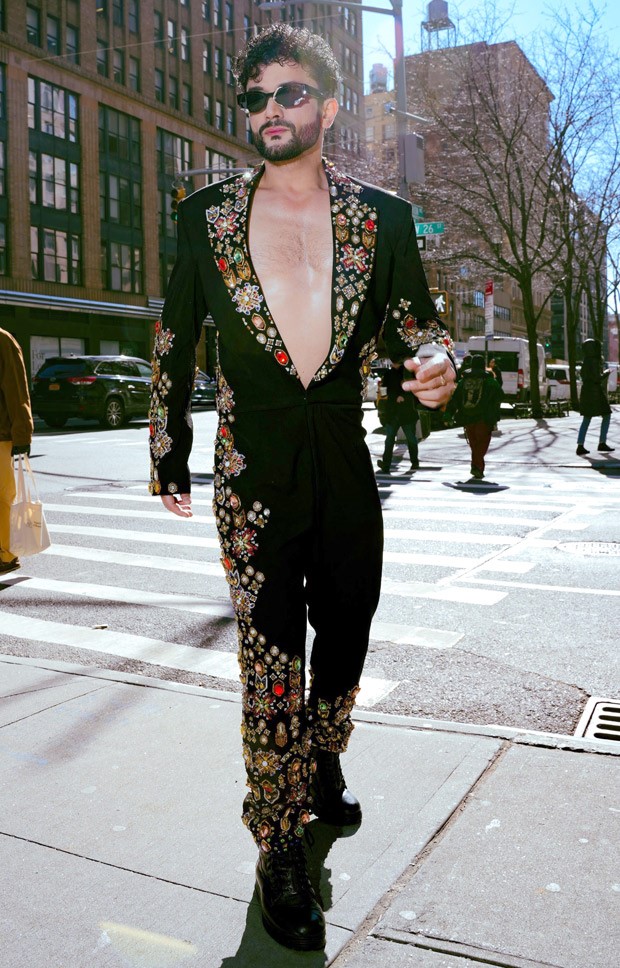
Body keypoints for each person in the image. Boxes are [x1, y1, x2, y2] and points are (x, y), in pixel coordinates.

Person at [149, 23, 455, 951]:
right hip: (253, 471)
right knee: (269, 655)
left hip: (345, 458)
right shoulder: (205, 215)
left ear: (326, 105)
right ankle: (278, 840)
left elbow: (419, 323)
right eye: (253, 97)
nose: (268, 111)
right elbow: (176, 335)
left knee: (348, 631)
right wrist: (169, 447)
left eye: (287, 94)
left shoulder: (383, 219)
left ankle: (323, 759)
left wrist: (437, 360)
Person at [0, 328, 34, 574]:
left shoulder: (3, 340)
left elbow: (17, 390)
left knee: (3, 499)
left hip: (1, 436)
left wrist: (22, 435)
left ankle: (7, 554)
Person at [448, 354, 502, 479]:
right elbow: (500, 396)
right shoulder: (490, 381)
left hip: (467, 417)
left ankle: (477, 468)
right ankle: (476, 467)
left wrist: (449, 414)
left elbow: (455, 399)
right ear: (483, 365)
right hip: (484, 418)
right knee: (481, 444)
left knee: (474, 444)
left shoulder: (463, 381)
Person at [378, 361, 420, 473]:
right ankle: (386, 464)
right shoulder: (388, 374)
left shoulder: (407, 373)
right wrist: (386, 396)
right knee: (389, 440)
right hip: (392, 412)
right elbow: (384, 391)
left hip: (406, 411)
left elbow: (414, 389)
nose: (393, 362)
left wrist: (403, 396)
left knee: (411, 438)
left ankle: (415, 462)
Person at [576, 338, 614, 455]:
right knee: (606, 415)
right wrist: (607, 372)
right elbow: (597, 378)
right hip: (596, 392)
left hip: (586, 392)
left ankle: (580, 445)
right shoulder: (594, 361)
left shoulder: (586, 361)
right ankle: (602, 442)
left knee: (587, 418)